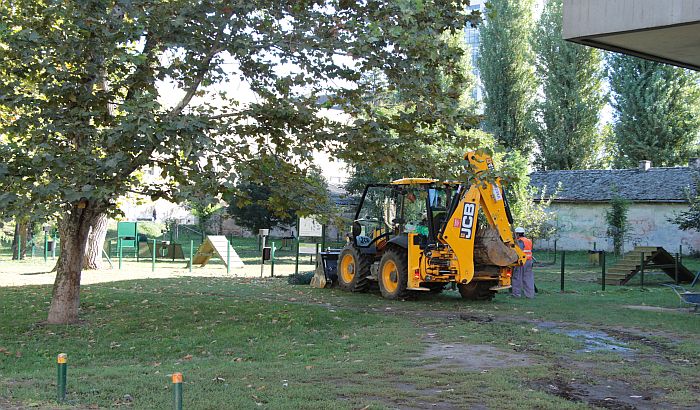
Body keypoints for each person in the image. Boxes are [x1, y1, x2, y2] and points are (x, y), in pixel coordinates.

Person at [512, 227, 535, 298]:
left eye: (515, 234)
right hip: (529, 261)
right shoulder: (528, 240)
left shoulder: (520, 241)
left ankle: (516, 295)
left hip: (522, 262)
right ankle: (530, 295)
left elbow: (519, 251)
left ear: (518, 234)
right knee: (528, 278)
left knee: (517, 278)